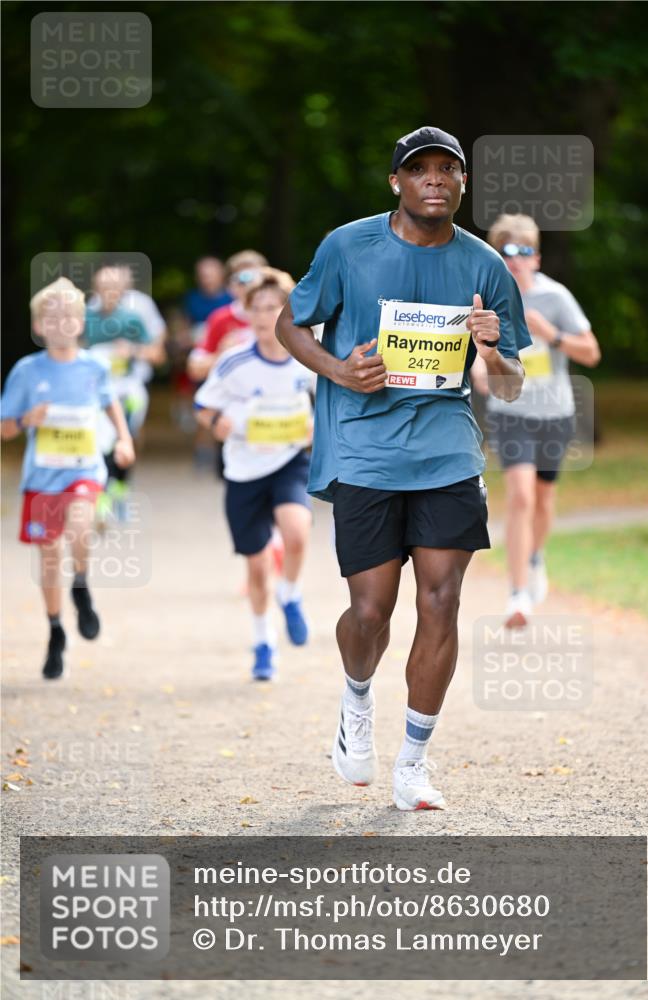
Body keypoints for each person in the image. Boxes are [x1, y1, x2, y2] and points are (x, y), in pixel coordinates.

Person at [276, 126, 530, 810]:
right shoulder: (347, 247)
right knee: (370, 608)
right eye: (418, 169)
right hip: (363, 448)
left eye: (446, 169)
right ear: (396, 182)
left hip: (446, 451)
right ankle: (356, 698)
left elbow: (508, 386)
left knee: (441, 602)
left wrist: (493, 353)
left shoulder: (483, 267)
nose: (433, 179)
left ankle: (413, 761)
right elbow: (288, 324)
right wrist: (338, 369)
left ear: (462, 183)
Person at [0, 277, 135, 679]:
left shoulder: (94, 367)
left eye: (69, 316)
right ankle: (57, 629)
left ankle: (81, 584)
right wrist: (27, 419)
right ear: (38, 326)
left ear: (80, 323)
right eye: (51, 317)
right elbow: (5, 426)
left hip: (83, 469)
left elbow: (111, 405)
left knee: (79, 528)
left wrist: (124, 439)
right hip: (42, 479)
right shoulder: (27, 371)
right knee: (48, 556)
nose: (61, 324)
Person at [473, 214, 601, 628]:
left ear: (537, 258)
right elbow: (477, 366)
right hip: (511, 414)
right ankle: (518, 595)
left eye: (524, 251)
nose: (516, 259)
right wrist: (485, 366)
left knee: (544, 500)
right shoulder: (488, 301)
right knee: (521, 497)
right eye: (506, 252)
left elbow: (591, 352)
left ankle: (534, 555)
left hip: (555, 414)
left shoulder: (555, 297)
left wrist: (551, 333)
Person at [194, 268, 315, 681]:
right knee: (258, 567)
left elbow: (329, 401)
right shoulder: (234, 361)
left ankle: (292, 595)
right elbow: (203, 406)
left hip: (289, 461)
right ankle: (264, 642)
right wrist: (215, 425)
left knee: (297, 532)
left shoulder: (307, 355)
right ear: (246, 314)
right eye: (257, 308)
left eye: (274, 307)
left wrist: (318, 426)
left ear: (289, 311)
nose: (265, 315)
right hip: (244, 470)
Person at [84, 266, 153, 518]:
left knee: (126, 438)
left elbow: (158, 354)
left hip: (129, 391)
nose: (109, 293)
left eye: (114, 288)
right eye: (104, 287)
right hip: (96, 391)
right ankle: (102, 491)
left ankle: (121, 489)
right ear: (96, 289)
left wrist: (133, 352)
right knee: (101, 439)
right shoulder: (85, 318)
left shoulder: (132, 319)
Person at [186, 250, 268, 383]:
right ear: (230, 287)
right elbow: (195, 369)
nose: (252, 286)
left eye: (258, 278)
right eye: (243, 279)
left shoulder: (280, 317)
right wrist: (223, 354)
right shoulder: (220, 318)